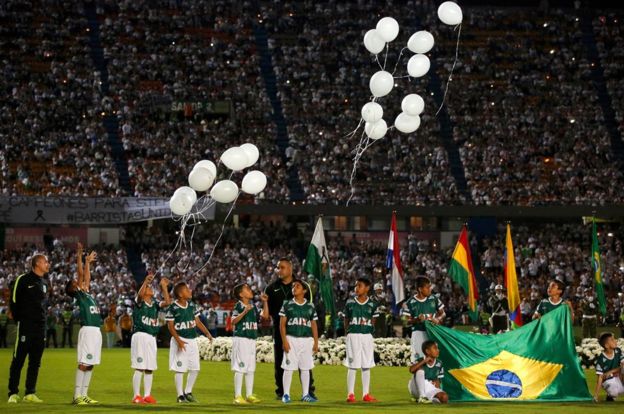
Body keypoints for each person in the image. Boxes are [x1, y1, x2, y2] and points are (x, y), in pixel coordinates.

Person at [264, 257, 316, 399]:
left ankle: (308, 392)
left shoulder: (302, 286)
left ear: (290, 269)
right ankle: (281, 392)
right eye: (277, 267)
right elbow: (267, 315)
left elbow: (308, 310)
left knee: (304, 363)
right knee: (280, 361)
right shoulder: (271, 288)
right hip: (280, 330)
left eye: (282, 267)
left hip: (301, 330)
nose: (278, 270)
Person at [7, 253, 50, 404]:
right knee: (18, 360)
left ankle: (30, 392)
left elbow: (43, 306)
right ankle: (13, 392)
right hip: (26, 326)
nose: (47, 264)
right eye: (45, 261)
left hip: (41, 327)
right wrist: (20, 320)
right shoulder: (23, 279)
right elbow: (13, 300)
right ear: (37, 263)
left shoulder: (44, 283)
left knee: (35, 361)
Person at [166, 281, 213, 403]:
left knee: (195, 368)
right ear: (181, 294)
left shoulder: (192, 305)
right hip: (180, 340)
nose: (190, 291)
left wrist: (207, 333)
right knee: (180, 369)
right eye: (187, 290)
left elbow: (197, 322)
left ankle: (188, 391)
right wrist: (179, 341)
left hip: (192, 341)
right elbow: (170, 327)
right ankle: (180, 395)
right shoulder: (173, 307)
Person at [66, 249, 101, 405]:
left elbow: (86, 277)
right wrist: (80, 257)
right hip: (87, 330)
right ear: (74, 289)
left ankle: (84, 394)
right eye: (75, 283)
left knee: (91, 363)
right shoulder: (78, 295)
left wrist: (88, 263)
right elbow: (81, 275)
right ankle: (76, 395)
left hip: (96, 331)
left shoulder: (86, 293)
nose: (79, 282)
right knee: (83, 363)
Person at [130, 273, 172, 404]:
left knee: (149, 367)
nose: (151, 289)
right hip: (140, 335)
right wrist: (145, 281)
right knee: (139, 367)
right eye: (149, 288)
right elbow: (139, 296)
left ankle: (147, 395)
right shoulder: (139, 302)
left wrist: (164, 287)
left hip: (151, 338)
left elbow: (168, 302)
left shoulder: (154, 303)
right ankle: (136, 395)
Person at [279, 279, 319, 403]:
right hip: (291, 339)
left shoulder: (310, 306)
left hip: (307, 340)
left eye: (297, 286)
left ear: (304, 290)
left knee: (306, 368)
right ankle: (286, 394)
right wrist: (284, 341)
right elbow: (282, 325)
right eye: (293, 286)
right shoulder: (287, 304)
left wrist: (316, 342)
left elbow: (313, 325)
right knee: (288, 368)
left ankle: (305, 394)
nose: (294, 288)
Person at [230, 283, 269, 404]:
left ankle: (249, 395)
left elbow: (265, 316)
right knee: (240, 368)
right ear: (241, 294)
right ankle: (237, 396)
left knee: (250, 369)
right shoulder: (239, 306)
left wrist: (265, 303)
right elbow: (233, 321)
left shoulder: (253, 306)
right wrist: (244, 312)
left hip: (251, 339)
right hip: (241, 339)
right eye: (246, 289)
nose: (250, 290)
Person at [342, 278, 379, 403]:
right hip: (353, 335)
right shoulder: (350, 302)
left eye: (360, 285)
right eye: (356, 285)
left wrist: (370, 330)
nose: (356, 288)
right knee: (353, 365)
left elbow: (374, 320)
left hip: (367, 336)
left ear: (367, 288)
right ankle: (350, 394)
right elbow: (346, 319)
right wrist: (348, 332)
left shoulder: (373, 304)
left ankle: (366, 394)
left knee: (366, 365)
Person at [402, 276, 445, 362]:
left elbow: (443, 313)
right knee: (418, 360)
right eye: (427, 287)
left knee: (433, 361)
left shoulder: (434, 299)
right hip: (418, 334)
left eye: (430, 287)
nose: (430, 289)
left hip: (432, 332)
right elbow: (405, 322)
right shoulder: (410, 302)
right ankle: (418, 375)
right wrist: (417, 319)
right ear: (420, 289)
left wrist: (438, 319)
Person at [594, 332, 624, 402]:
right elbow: (600, 378)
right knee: (613, 392)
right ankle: (610, 396)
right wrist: (596, 396)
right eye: (612, 340)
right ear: (607, 345)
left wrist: (611, 371)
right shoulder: (601, 359)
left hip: (619, 379)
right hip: (609, 381)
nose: (615, 341)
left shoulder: (618, 351)